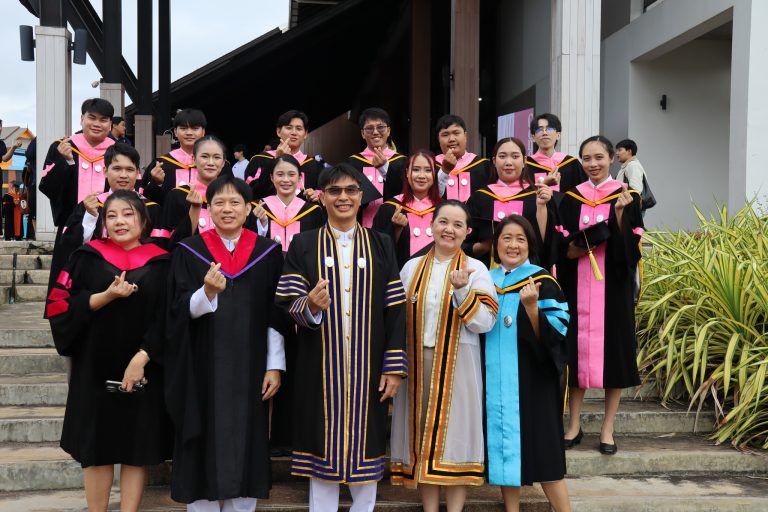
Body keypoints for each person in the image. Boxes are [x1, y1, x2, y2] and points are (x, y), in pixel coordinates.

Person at [275, 163, 407, 512]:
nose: (343, 197)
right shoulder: (304, 244)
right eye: (335, 191)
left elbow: (395, 308)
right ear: (321, 197)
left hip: (368, 366)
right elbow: (287, 303)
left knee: (367, 453)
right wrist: (312, 306)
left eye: (351, 190)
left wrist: (394, 367)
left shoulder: (380, 244)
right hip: (319, 367)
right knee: (322, 453)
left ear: (362, 196)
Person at [165, 175, 286, 511]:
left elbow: (276, 314)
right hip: (203, 367)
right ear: (209, 208)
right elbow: (175, 311)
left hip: (251, 369)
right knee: (203, 441)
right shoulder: (190, 251)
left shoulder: (268, 253)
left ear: (249, 209)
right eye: (219, 202)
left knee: (245, 444)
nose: (227, 209)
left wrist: (274, 366)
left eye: (236, 202)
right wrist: (205, 294)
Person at [45, 190, 172, 512]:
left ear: (143, 221)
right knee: (96, 448)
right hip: (93, 366)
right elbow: (59, 306)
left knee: (136, 449)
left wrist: (145, 355)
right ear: (103, 222)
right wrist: (105, 297)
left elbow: (171, 315)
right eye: (112, 215)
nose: (119, 221)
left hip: (142, 366)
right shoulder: (85, 256)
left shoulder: (162, 261)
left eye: (128, 214)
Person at [390, 200, 497, 512]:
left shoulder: (476, 269)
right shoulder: (411, 267)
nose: (449, 229)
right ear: (432, 225)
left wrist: (463, 293)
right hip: (418, 364)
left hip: (457, 366)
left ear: (467, 232)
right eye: (443, 222)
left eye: (457, 224)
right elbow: (396, 317)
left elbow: (485, 321)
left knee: (456, 438)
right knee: (422, 437)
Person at [558, 136, 644, 455]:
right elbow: (561, 245)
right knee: (575, 354)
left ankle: (608, 428)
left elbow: (630, 254)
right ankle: (574, 424)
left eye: (599, 157)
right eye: (586, 158)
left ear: (612, 159)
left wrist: (619, 216)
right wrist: (573, 248)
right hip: (577, 290)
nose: (592, 164)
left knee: (616, 356)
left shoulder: (628, 197)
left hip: (613, 290)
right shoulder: (570, 198)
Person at [485, 214, 571, 512]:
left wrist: (532, 307)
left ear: (529, 246)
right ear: (495, 244)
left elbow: (556, 337)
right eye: (506, 238)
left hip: (533, 382)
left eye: (520, 239)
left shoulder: (543, 282)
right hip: (495, 383)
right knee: (504, 452)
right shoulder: (485, 282)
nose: (513, 245)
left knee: (546, 455)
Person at [251, 153, 325, 456]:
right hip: (268, 285)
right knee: (271, 354)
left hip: (302, 289)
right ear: (271, 178)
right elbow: (253, 247)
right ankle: (274, 436)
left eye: (291, 175)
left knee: (298, 357)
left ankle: (295, 435)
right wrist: (262, 227)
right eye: (280, 174)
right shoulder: (258, 210)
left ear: (300, 179)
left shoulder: (312, 211)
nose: (285, 180)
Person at [46, 144, 164, 307]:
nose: (123, 175)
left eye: (129, 169)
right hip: (95, 286)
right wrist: (90, 216)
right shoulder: (89, 206)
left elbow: (158, 251)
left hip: (140, 288)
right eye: (116, 168)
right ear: (105, 171)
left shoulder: (151, 209)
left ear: (138, 173)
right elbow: (70, 248)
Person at [465, 137, 557, 268]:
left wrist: (541, 206)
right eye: (502, 156)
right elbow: (465, 242)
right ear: (494, 161)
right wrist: (482, 247)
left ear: (525, 161)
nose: (508, 162)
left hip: (528, 276)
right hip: (486, 274)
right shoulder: (480, 197)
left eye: (515, 156)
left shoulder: (538, 195)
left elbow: (547, 244)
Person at [39, 98, 116, 231]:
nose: (97, 124)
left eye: (103, 120)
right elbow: (47, 187)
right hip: (71, 224)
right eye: (92, 118)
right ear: (81, 119)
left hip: (109, 226)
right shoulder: (62, 147)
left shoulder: (118, 151)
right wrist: (66, 161)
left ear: (110, 125)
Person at [160, 136, 253, 237]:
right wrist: (194, 210)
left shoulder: (236, 197)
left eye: (217, 157)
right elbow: (172, 243)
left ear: (223, 163)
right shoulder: (178, 195)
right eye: (204, 156)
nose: (211, 163)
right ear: (194, 159)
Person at [372, 150, 441, 268]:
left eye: (428, 170)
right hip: (401, 280)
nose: (421, 176)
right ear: (407, 173)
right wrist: (396, 229)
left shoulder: (444, 209)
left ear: (435, 174)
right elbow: (377, 252)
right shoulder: (389, 208)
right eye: (416, 170)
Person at [345, 107, 408, 227]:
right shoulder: (353, 162)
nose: (375, 132)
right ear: (363, 134)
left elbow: (404, 193)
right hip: (359, 226)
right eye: (369, 128)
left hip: (393, 225)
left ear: (388, 131)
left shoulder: (402, 161)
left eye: (381, 127)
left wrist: (385, 168)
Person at [245, 110, 323, 202]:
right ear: (278, 131)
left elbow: (323, 192)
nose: (294, 132)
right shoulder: (259, 160)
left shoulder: (314, 166)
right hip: (267, 215)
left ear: (305, 134)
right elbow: (250, 192)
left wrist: (316, 196)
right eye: (289, 127)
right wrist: (276, 161)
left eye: (299, 128)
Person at [141, 109, 208, 204]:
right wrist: (156, 183)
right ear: (175, 132)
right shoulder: (161, 165)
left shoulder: (216, 164)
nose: (189, 133)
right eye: (183, 128)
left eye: (195, 128)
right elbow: (148, 201)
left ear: (203, 132)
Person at [434, 114, 491, 202]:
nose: (452, 139)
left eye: (456, 133)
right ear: (438, 139)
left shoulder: (483, 166)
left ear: (465, 136)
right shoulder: (431, 165)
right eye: (445, 134)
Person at [526, 114, 587, 195]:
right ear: (533, 138)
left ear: (558, 135)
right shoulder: (525, 165)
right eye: (540, 130)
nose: (544, 133)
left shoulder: (572, 164)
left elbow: (582, 194)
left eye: (549, 129)